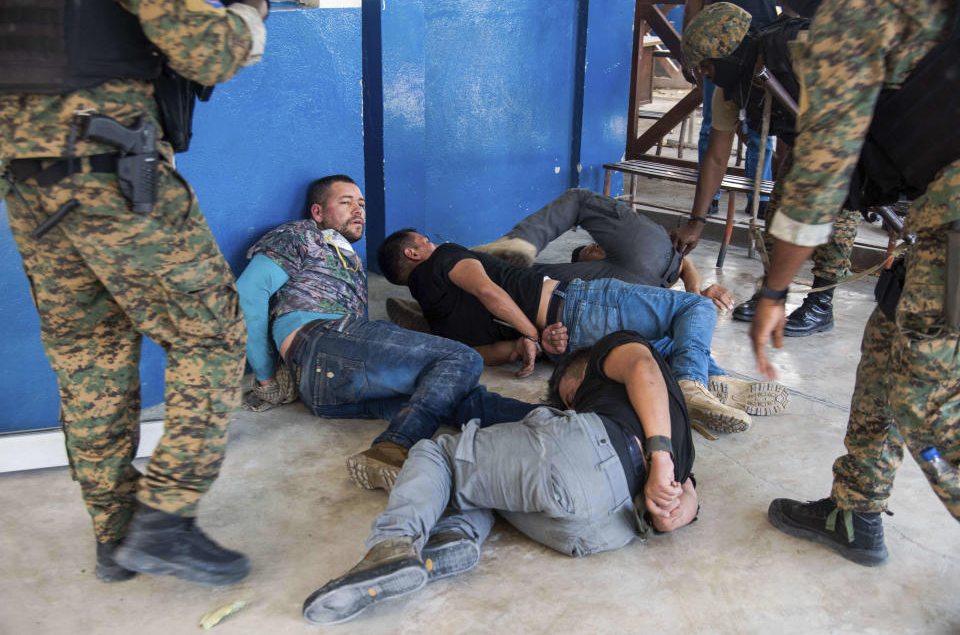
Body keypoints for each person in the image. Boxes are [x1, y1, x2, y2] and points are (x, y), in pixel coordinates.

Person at [0, 0, 267, 585]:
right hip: (112, 170)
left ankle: (114, 537)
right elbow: (210, 51)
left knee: (88, 357)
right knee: (213, 333)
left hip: (26, 186)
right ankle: (166, 518)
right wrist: (252, 11)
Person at [749, 0, 959, 566]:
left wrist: (774, 291)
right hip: (944, 212)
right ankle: (856, 509)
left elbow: (823, 167)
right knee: (889, 338)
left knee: (931, 401)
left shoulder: (858, 4)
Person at [301, 331, 699, 624]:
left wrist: (659, 458)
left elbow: (643, 366)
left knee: (439, 453)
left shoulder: (611, 351)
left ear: (577, 376)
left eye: (566, 397)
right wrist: (670, 512)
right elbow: (684, 504)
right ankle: (453, 539)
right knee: (491, 479)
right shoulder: (686, 445)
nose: (568, 404)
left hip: (587, 455)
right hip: (603, 533)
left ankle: (390, 545)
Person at [235, 175, 538, 493]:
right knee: (461, 356)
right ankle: (393, 446)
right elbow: (247, 293)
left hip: (328, 389)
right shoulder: (299, 235)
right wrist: (266, 378)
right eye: (346, 202)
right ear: (317, 212)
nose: (358, 210)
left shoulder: (349, 259)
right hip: (322, 339)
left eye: (362, 204)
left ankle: (563, 419)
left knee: (459, 397)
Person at [378, 229, 790, 434]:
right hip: (577, 304)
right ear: (414, 252)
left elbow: (497, 352)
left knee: (660, 344)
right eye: (424, 240)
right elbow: (489, 291)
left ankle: (716, 383)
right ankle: (692, 383)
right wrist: (536, 336)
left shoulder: (440, 315)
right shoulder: (448, 257)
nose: (434, 241)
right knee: (694, 306)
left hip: (566, 350)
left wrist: (533, 344)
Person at [672, 2, 861, 337]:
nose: (703, 75)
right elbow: (716, 158)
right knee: (776, 216)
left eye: (705, 67)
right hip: (810, 139)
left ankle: (821, 304)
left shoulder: (801, 51)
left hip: (849, 134)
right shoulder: (731, 89)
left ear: (728, 55)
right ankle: (773, 293)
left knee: (838, 213)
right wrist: (696, 223)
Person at [470, 187, 735, 309]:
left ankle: (523, 241)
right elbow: (686, 265)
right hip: (639, 293)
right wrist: (696, 296)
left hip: (649, 256)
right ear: (590, 267)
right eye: (589, 252)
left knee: (579, 200)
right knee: (528, 278)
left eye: (590, 246)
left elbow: (686, 265)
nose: (594, 245)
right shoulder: (655, 276)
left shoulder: (656, 249)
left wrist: (695, 294)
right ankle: (516, 246)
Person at [683, 0, 777, 219]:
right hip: (717, 46)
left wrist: (783, 38)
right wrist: (689, 53)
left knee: (761, 130)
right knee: (712, 125)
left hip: (764, 43)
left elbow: (794, 5)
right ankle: (709, 197)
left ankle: (761, 196)